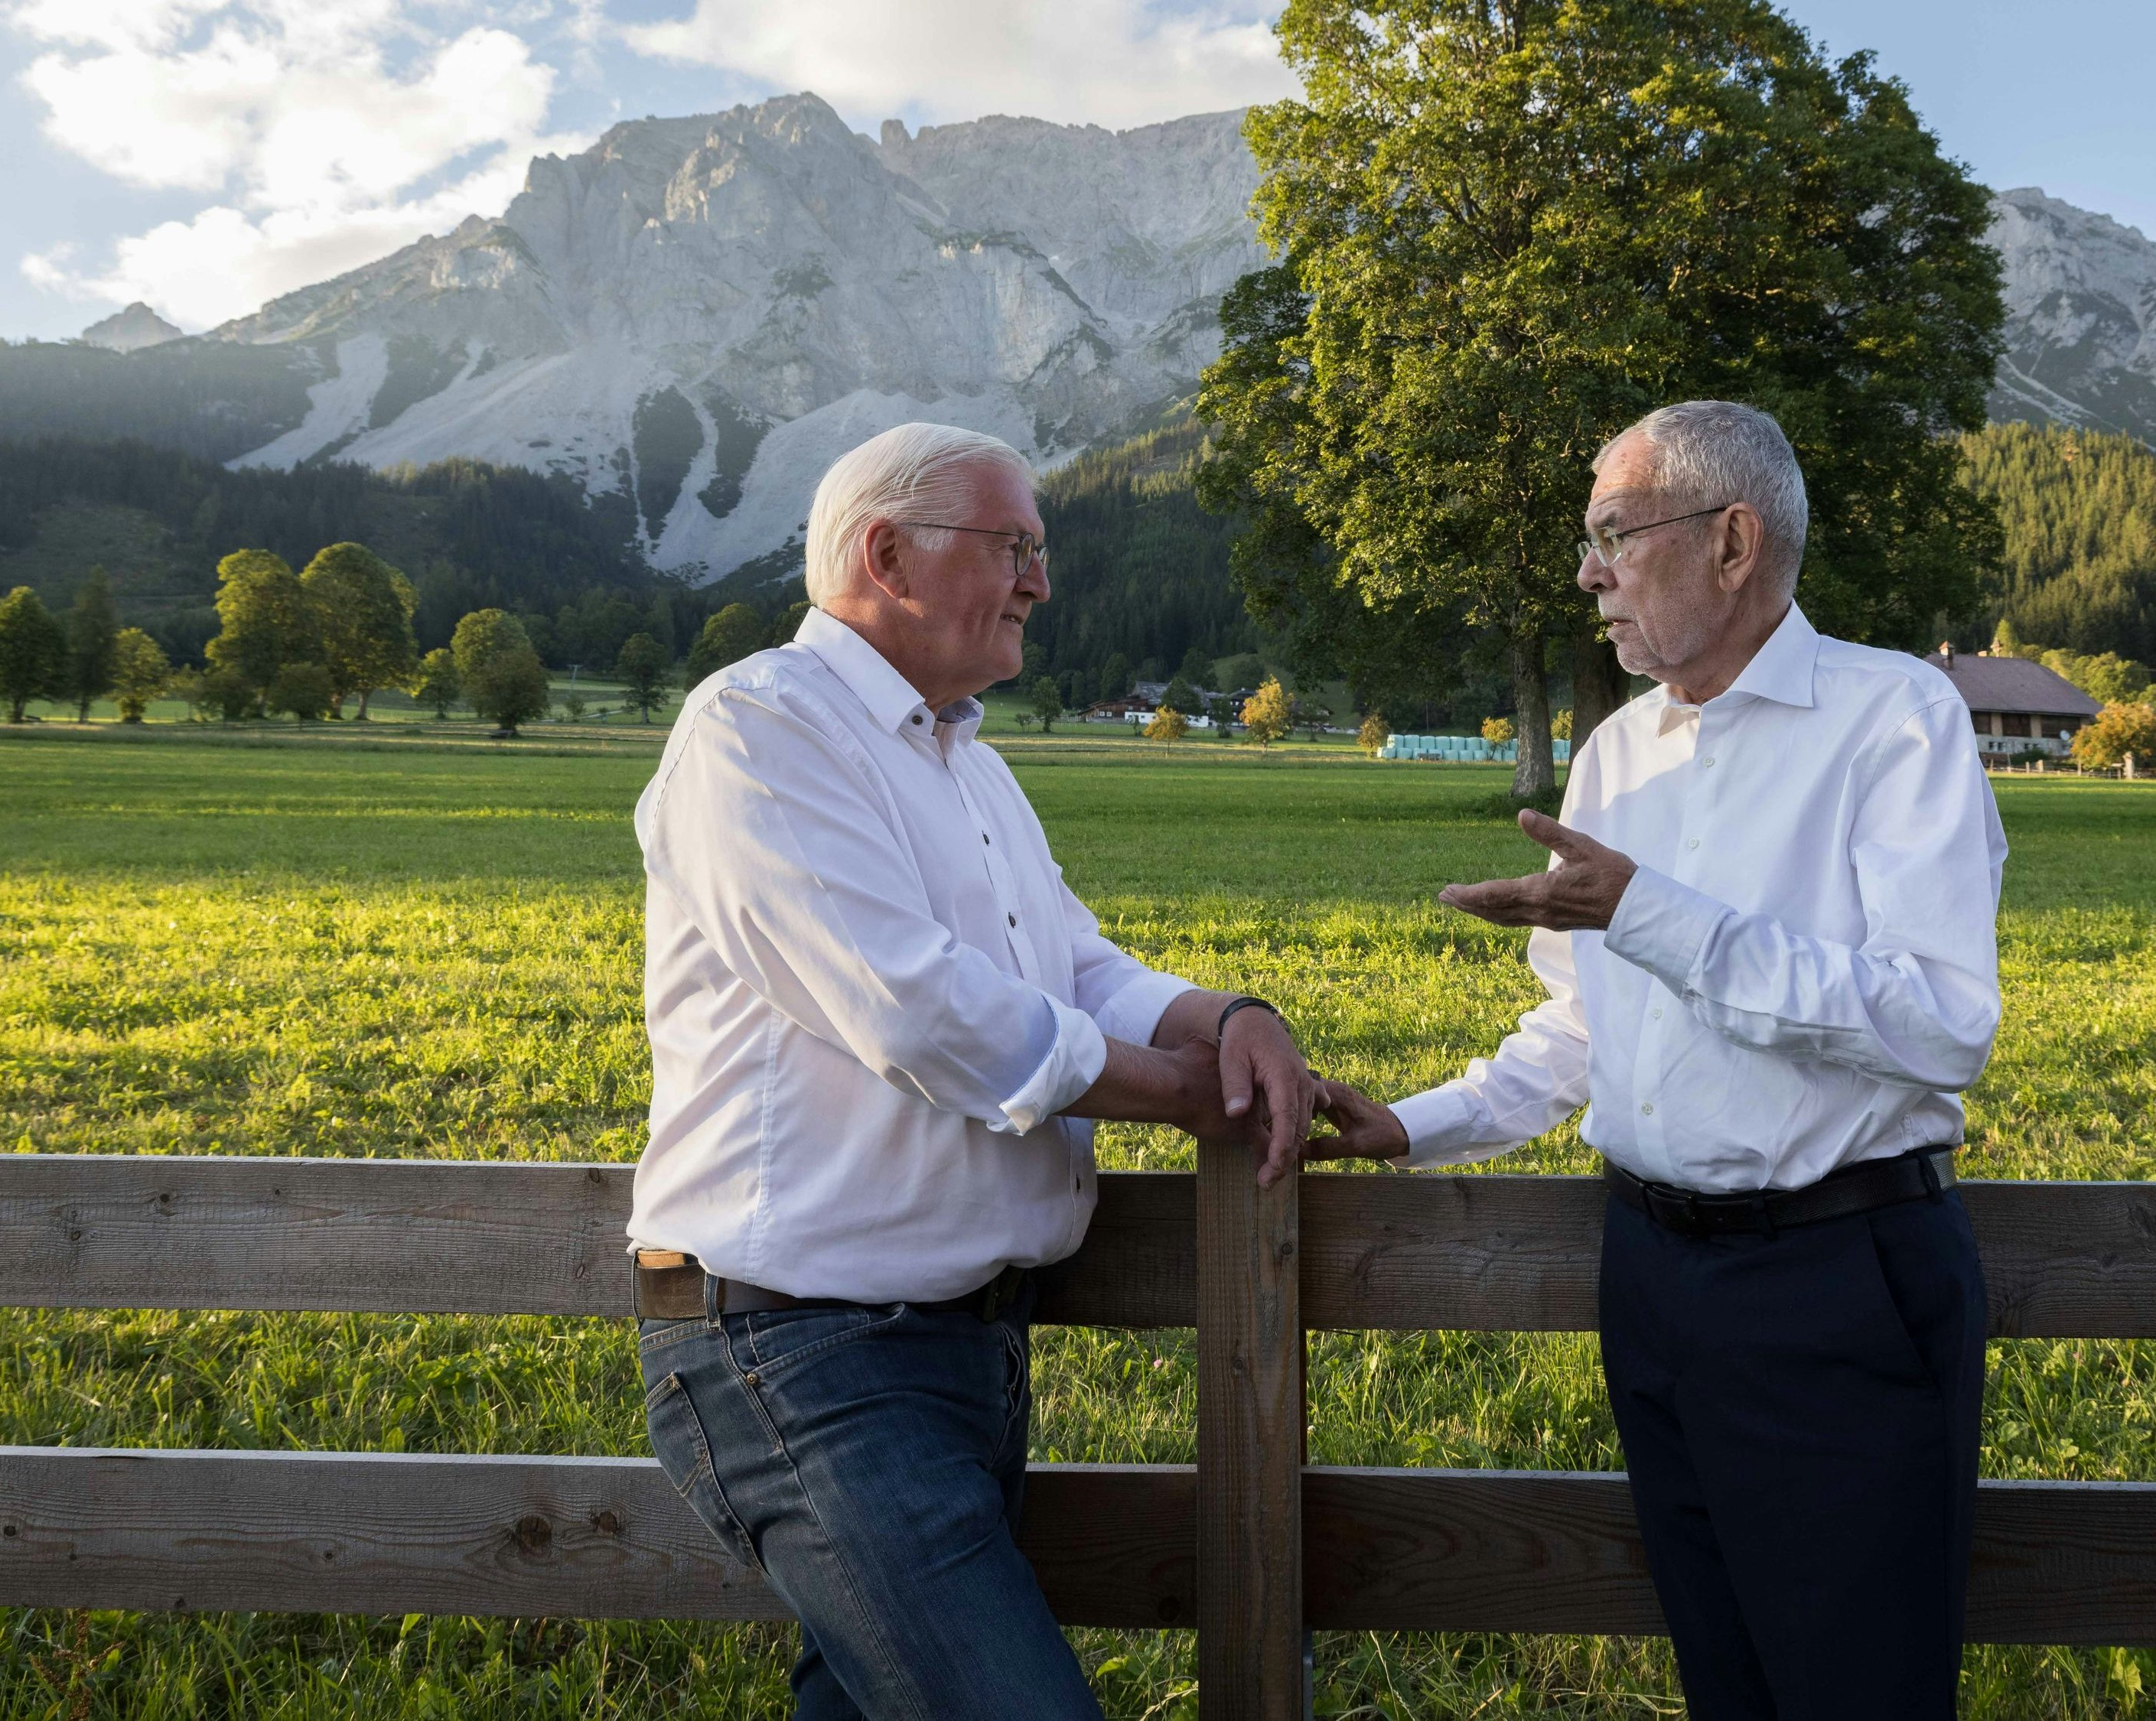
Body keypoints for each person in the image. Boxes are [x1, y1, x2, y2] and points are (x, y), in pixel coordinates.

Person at [1316, 401, 2008, 1716]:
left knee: (1857, 1693)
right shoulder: (1616, 754)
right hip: (1647, 1275)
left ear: (1733, 543)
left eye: (1615, 534)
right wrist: (1412, 1124)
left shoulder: (1895, 717)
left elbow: (1939, 1022)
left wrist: (1648, 911)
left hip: (1834, 1283)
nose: (1589, 574)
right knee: (1724, 1683)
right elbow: (1585, 1027)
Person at [630, 421, 1322, 1719]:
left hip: (956, 1348)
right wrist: (1189, 1093)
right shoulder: (759, 727)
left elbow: (1075, 965)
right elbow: (918, 1011)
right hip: (808, 1351)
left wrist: (1226, 1014)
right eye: (1015, 547)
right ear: (888, 556)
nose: (1041, 584)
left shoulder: (972, 763)